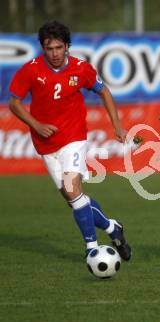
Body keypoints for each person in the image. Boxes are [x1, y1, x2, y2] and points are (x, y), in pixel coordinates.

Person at [8, 21, 131, 260]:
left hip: (73, 137)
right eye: (49, 48)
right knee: (73, 199)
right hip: (44, 143)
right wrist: (36, 125)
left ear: (67, 46)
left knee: (72, 190)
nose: (54, 53)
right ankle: (112, 228)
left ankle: (92, 250)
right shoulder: (31, 70)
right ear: (43, 48)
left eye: (58, 47)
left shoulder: (81, 69)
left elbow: (104, 91)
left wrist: (117, 125)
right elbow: (14, 102)